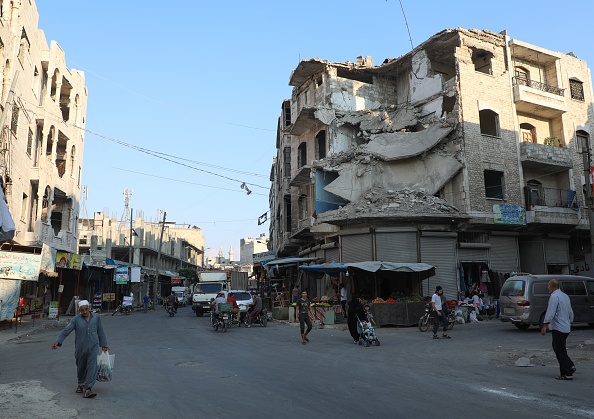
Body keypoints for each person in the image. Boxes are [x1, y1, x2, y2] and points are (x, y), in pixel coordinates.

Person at [51, 300, 109, 399]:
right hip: (80, 348)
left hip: (93, 347)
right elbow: (66, 331)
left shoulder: (96, 317)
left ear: (89, 308)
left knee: (92, 367)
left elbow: (100, 331)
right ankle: (81, 383)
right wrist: (58, 341)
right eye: (82, 310)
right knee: (81, 367)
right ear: (79, 310)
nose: (85, 312)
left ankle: (88, 389)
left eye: (86, 309)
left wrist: (103, 344)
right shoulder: (76, 320)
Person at [541, 279, 576, 380]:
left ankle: (567, 372)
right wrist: (569, 322)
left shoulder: (554, 297)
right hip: (565, 326)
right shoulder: (565, 296)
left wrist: (544, 325)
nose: (548, 288)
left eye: (548, 286)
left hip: (558, 327)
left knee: (559, 349)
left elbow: (550, 312)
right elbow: (570, 311)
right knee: (561, 348)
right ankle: (570, 365)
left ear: (552, 286)